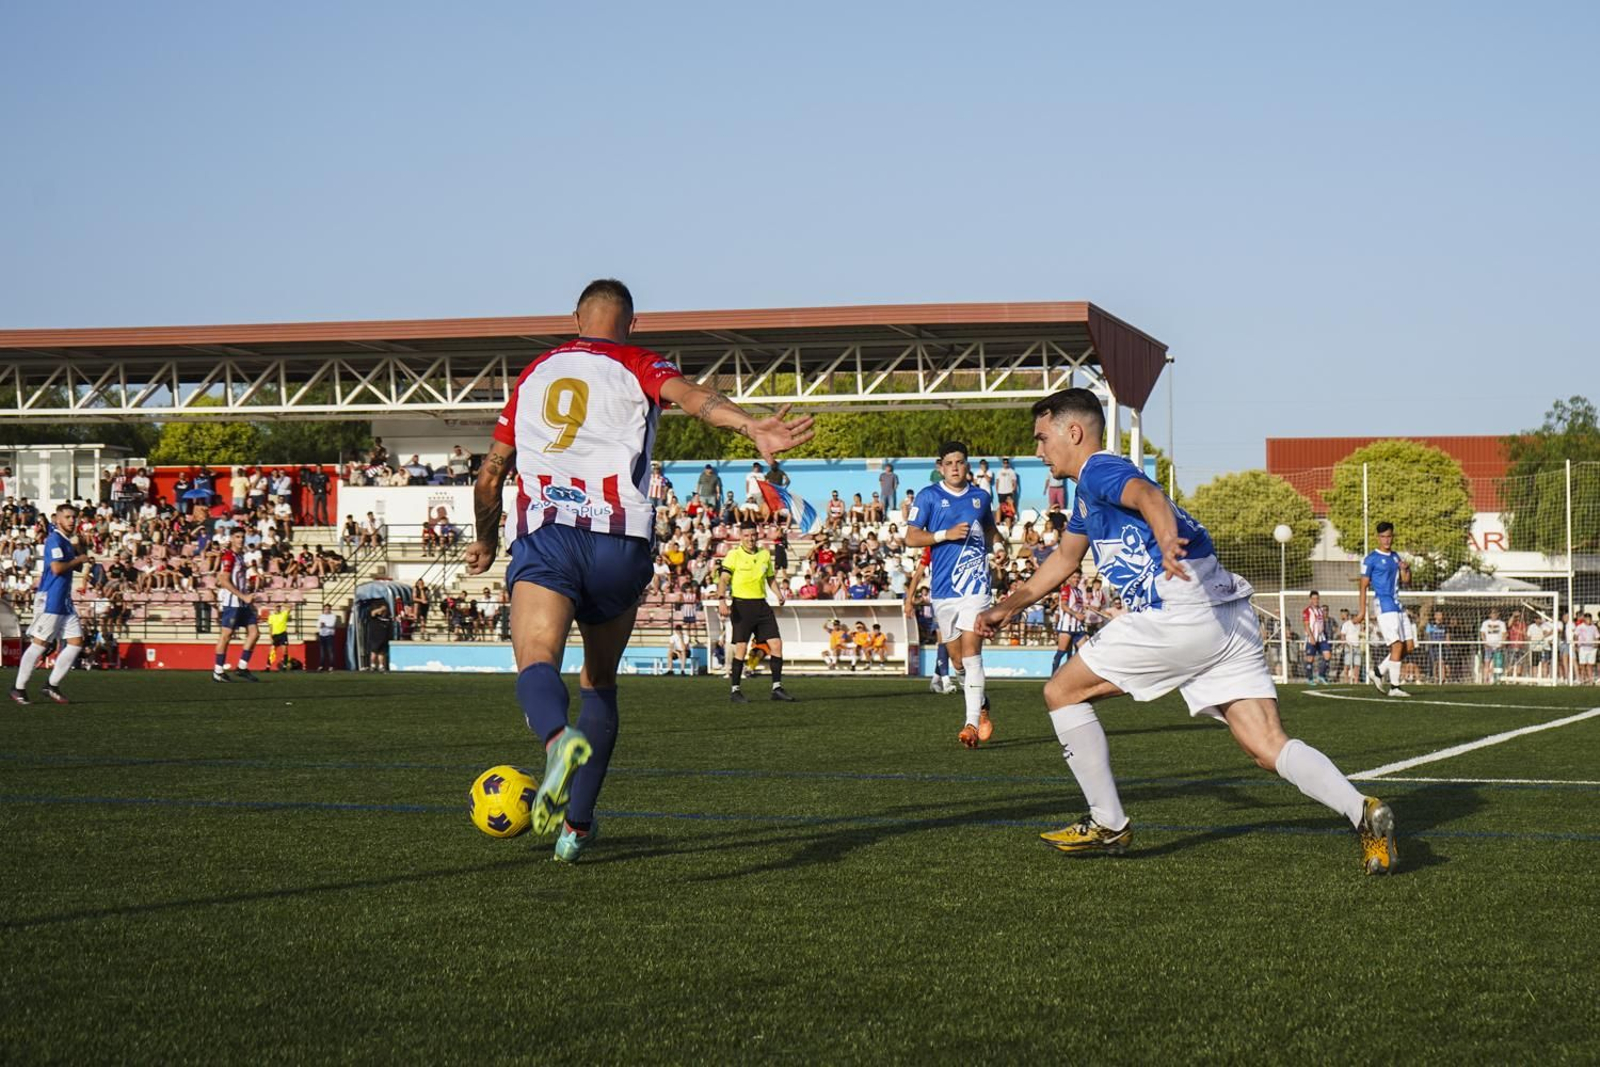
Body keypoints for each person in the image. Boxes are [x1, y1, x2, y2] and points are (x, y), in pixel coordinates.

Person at [974, 388, 1396, 874]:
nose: (1038, 450)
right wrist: (1008, 605)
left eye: (1042, 438)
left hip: (1180, 608)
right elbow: (1067, 558)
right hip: (1226, 613)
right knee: (1265, 744)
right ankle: (1363, 812)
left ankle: (1107, 822)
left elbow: (1147, 494)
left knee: (1062, 693)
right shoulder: (1087, 495)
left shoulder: (1099, 470)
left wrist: (1165, 533)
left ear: (1074, 433)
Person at [463, 278, 812, 863]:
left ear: (576, 318)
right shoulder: (639, 361)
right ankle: (575, 828)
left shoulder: (533, 374)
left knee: (537, 656)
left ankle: (555, 740)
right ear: (633, 322)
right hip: (620, 540)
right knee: (599, 683)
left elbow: (490, 476)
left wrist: (485, 539)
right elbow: (697, 398)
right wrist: (751, 425)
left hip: (548, 533)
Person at [906, 441, 998, 748]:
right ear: (940, 466)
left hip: (975, 586)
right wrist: (944, 535)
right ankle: (982, 705)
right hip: (944, 591)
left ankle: (970, 724)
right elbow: (911, 537)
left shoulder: (981, 497)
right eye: (950, 463)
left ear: (967, 465)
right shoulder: (929, 496)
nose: (956, 467)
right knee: (957, 661)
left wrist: (998, 549)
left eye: (960, 462)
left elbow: (989, 530)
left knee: (972, 656)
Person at [9, 503, 90, 705]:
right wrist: (78, 558)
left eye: (74, 517)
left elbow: (76, 567)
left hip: (63, 599)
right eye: (68, 517)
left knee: (76, 642)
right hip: (51, 598)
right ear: (58, 519)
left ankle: (51, 685)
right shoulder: (54, 539)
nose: (72, 520)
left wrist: (80, 552)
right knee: (40, 644)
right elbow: (56, 568)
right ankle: (18, 688)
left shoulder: (66, 541)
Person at [717, 521, 795, 702]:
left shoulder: (764, 555)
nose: (750, 538)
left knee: (776, 644)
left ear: (757, 535)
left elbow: (770, 578)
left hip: (761, 605)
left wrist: (778, 594)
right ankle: (735, 691)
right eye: (746, 535)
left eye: (753, 535)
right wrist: (722, 599)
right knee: (741, 648)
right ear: (740, 537)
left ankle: (777, 688)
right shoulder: (733, 555)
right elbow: (723, 579)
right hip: (741, 606)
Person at [1354, 521, 1414, 697]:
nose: (1386, 540)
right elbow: (1363, 586)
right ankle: (1395, 687)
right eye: (1383, 537)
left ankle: (1379, 672)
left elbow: (1406, 582)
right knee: (1396, 645)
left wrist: (1406, 569)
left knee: (1408, 646)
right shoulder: (1371, 559)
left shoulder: (1396, 557)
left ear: (1392, 536)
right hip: (1384, 605)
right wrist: (1362, 612)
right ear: (1377, 538)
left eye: (1389, 536)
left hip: (1398, 605)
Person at [212, 528, 262, 682]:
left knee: (254, 633)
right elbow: (224, 580)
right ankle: (218, 671)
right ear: (232, 539)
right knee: (226, 636)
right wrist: (243, 596)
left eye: (242, 537)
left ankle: (241, 667)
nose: (240, 539)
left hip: (242, 602)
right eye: (237, 537)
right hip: (232, 603)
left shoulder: (239, 556)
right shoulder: (229, 556)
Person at [1302, 591, 1332, 685]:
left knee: (1327, 655)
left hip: (1321, 637)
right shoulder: (1307, 611)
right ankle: (1310, 679)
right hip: (1312, 637)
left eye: (1317, 598)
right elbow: (1306, 625)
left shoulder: (1320, 610)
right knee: (1310, 659)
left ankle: (1321, 676)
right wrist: (1311, 637)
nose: (1316, 600)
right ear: (1310, 599)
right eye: (1314, 599)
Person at [1479, 608, 1507, 684]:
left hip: (1498, 646)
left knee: (1497, 663)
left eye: (1496, 613)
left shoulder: (1501, 623)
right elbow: (1482, 633)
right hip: (1488, 646)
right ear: (1490, 614)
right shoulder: (1485, 623)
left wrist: (1502, 644)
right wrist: (1485, 643)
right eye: (1492, 613)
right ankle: (1485, 679)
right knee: (1486, 662)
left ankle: (1496, 679)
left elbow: (1504, 634)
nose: (1494, 615)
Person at [366, 601, 392, 671]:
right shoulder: (374, 617)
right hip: (375, 637)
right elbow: (373, 613)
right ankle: (373, 665)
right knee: (374, 651)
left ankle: (381, 665)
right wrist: (381, 609)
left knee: (382, 652)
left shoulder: (387, 618)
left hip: (384, 637)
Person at [267, 604, 292, 670]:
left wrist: (282, 604)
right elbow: (270, 628)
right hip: (275, 635)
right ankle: (268, 666)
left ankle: (284, 666)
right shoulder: (271, 616)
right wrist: (270, 637)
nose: (278, 608)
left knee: (285, 651)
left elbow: (290, 607)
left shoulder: (284, 614)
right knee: (272, 651)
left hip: (283, 634)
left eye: (279, 607)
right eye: (276, 607)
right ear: (274, 608)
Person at [316, 603, 339, 671]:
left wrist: (324, 624)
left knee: (330, 651)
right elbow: (317, 624)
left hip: (329, 635)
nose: (326, 610)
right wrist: (321, 625)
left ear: (330, 609)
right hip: (322, 634)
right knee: (322, 651)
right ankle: (321, 665)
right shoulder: (321, 616)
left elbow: (332, 624)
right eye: (325, 609)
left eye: (328, 609)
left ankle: (331, 665)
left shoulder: (333, 616)